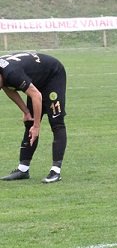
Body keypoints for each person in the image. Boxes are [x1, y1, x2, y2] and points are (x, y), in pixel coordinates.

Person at [0, 52, 68, 183]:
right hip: (36, 81)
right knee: (29, 122)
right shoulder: (3, 75)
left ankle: (56, 171)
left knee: (56, 122)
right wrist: (26, 111)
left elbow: (36, 96)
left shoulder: (12, 73)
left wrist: (37, 126)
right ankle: (23, 169)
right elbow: (8, 89)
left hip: (52, 74)